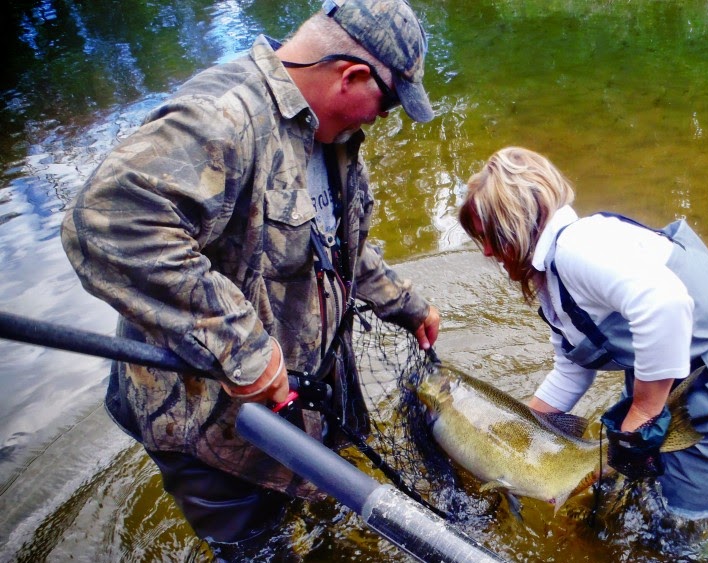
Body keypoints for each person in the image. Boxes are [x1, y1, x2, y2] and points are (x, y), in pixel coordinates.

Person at [61, 0, 440, 558]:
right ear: (352, 75)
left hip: (294, 404)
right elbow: (108, 222)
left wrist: (407, 305)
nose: (384, 118)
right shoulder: (224, 117)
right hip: (209, 426)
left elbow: (340, 247)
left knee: (324, 527)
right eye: (387, 102)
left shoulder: (331, 139)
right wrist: (241, 345)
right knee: (261, 552)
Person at [458, 147, 708, 523]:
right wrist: (512, 436)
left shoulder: (580, 248)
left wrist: (644, 411)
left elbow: (666, 303)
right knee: (636, 516)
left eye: (490, 238)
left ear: (516, 223)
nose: (485, 252)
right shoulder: (553, 280)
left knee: (681, 533)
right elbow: (570, 371)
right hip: (672, 396)